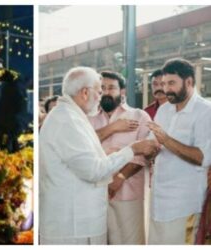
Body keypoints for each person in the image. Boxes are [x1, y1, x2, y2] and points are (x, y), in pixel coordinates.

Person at [39, 66, 159, 245]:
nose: (101, 95)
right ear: (85, 92)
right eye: (100, 90)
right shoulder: (68, 120)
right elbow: (94, 170)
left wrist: (119, 169)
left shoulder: (73, 116)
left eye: (108, 89)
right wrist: (131, 149)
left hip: (94, 212)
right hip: (74, 223)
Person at [147, 58, 211, 244]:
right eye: (164, 83)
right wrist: (148, 149)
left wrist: (166, 140)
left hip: (185, 204)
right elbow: (156, 145)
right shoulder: (164, 110)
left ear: (189, 82)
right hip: (158, 202)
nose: (166, 89)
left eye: (172, 83)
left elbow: (202, 157)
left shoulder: (205, 112)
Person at [89, 71, 151, 244]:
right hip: (94, 193)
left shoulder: (139, 116)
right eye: (102, 88)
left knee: (129, 242)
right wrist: (113, 127)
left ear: (122, 91)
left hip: (128, 192)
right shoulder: (88, 118)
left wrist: (120, 177)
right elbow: (83, 145)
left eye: (111, 88)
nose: (106, 92)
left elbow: (145, 153)